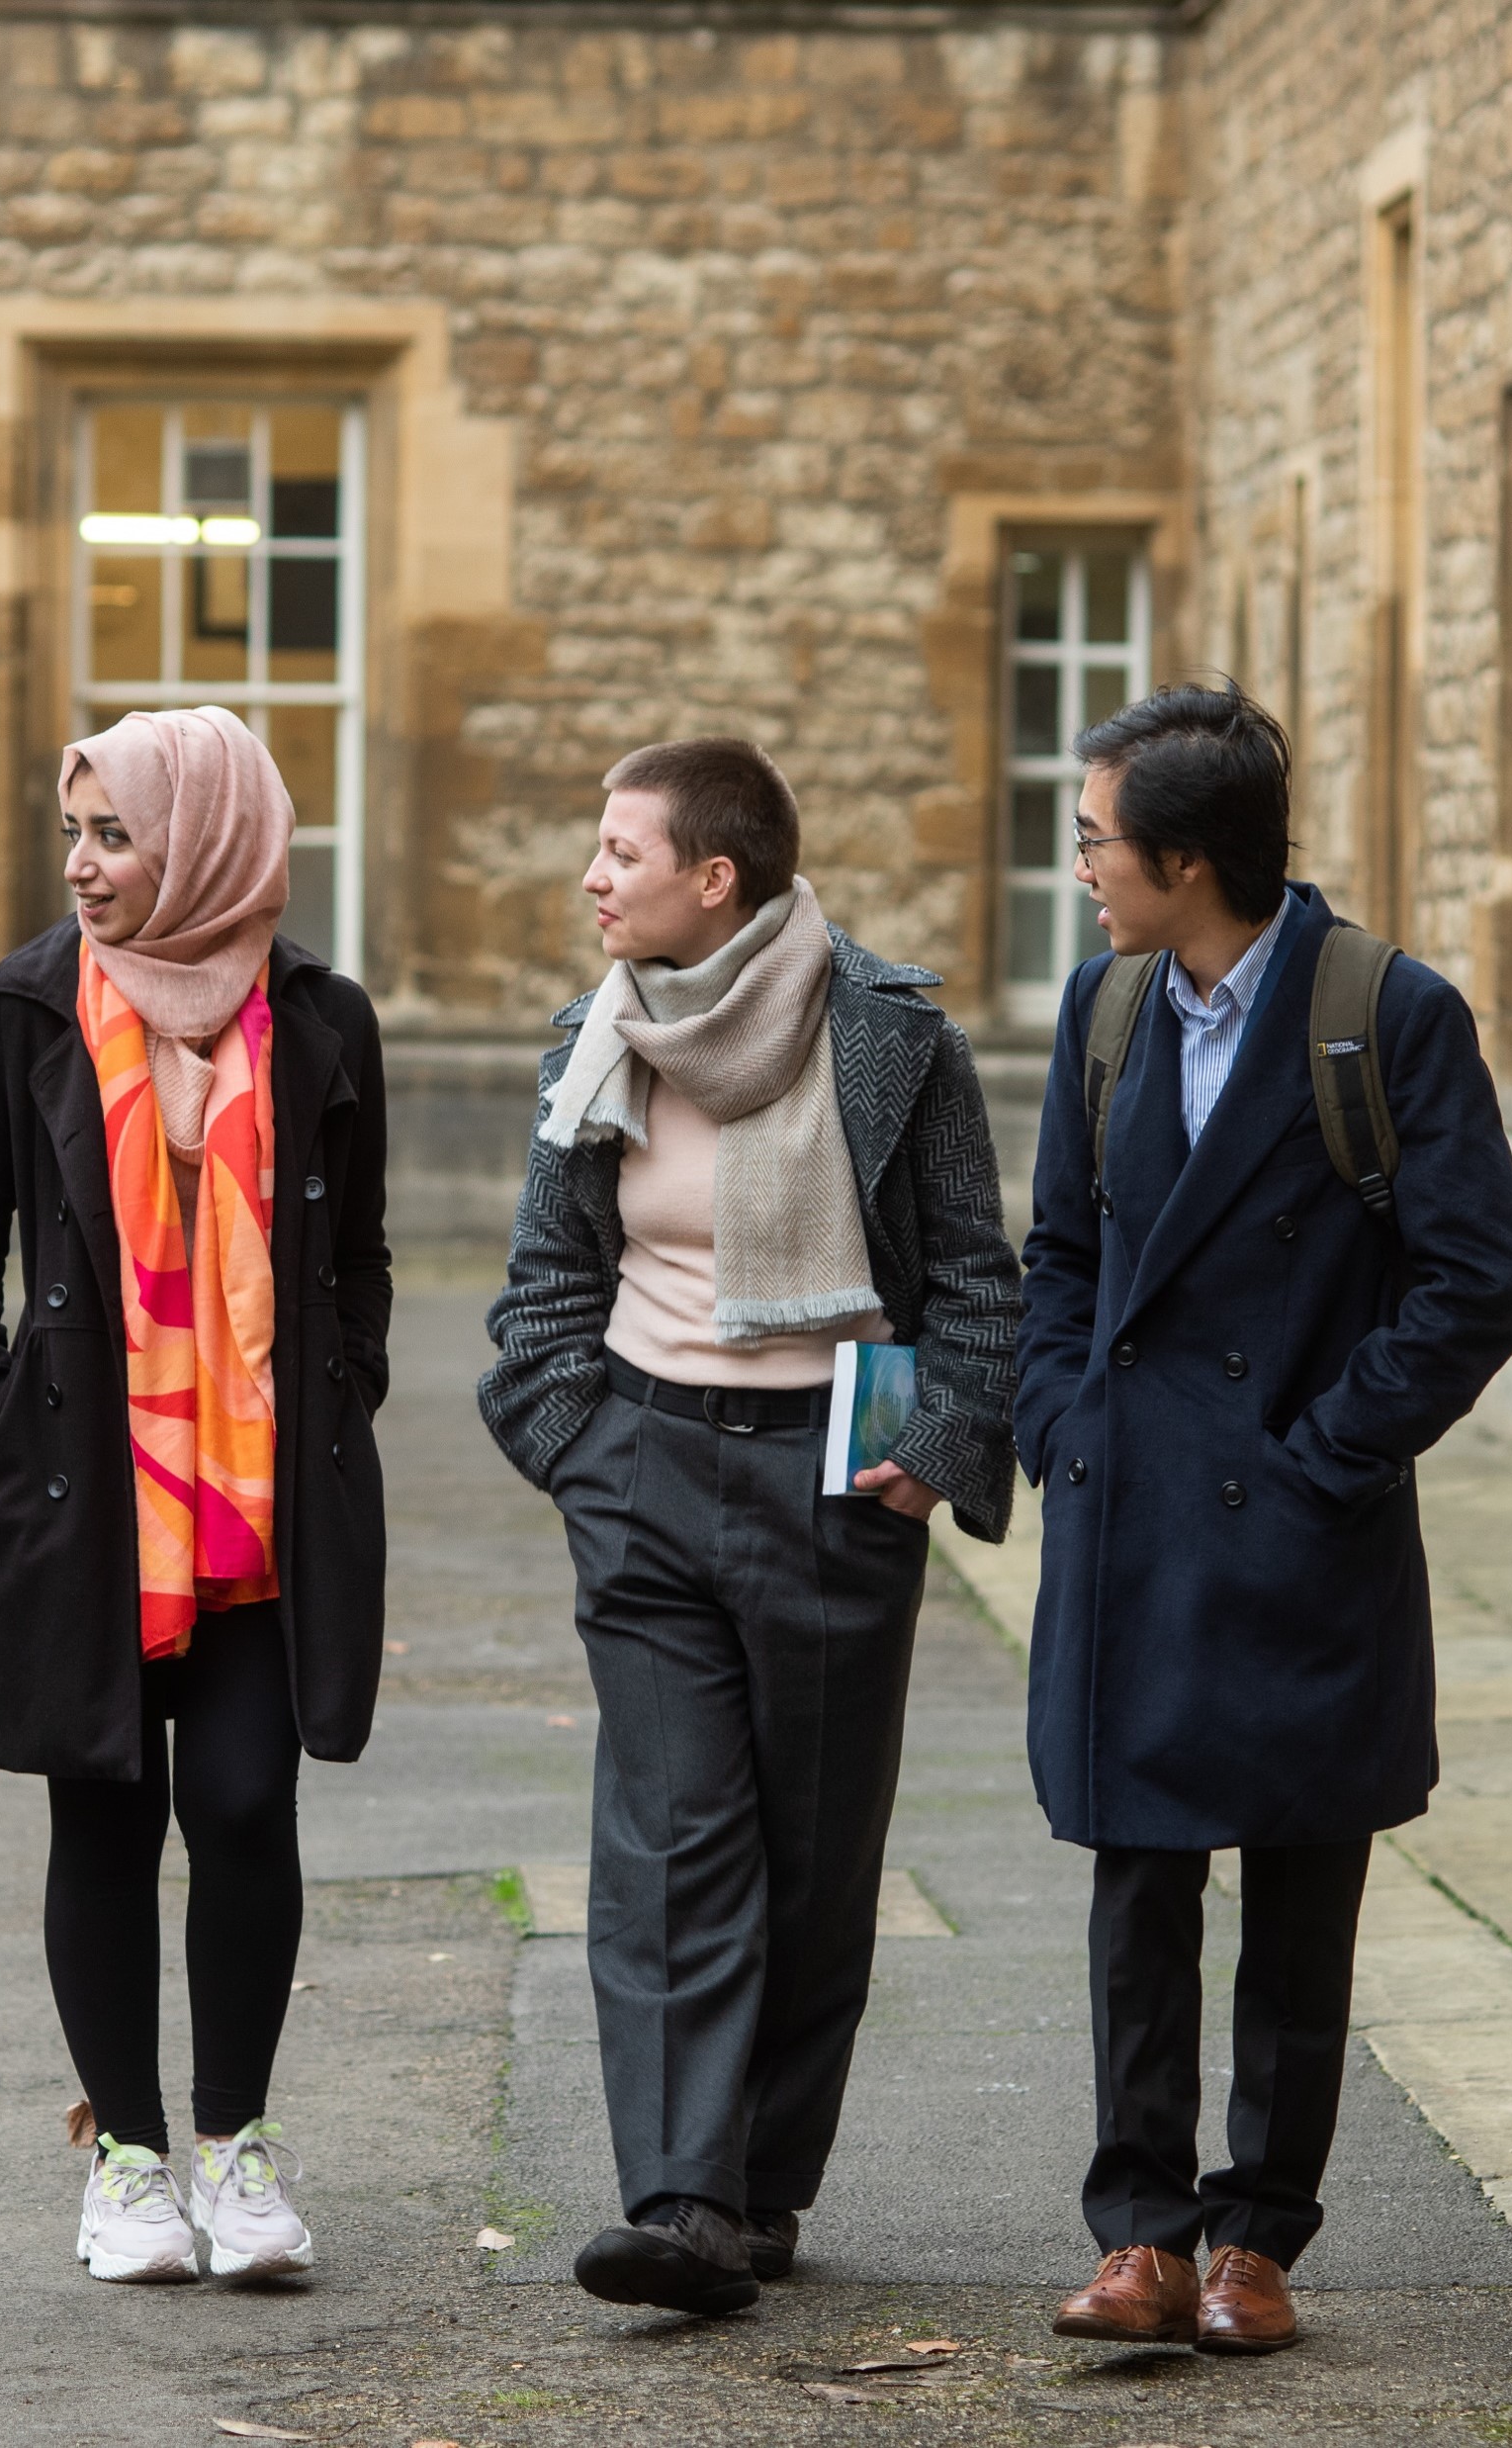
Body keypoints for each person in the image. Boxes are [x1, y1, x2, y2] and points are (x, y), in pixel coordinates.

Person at [1015, 684, 1512, 2354]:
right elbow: (1062, 1258)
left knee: (1304, 1894)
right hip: (1133, 1520)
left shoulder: (1383, 1012)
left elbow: (1479, 1279)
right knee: (1139, 1884)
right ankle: (1142, 2238)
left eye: (1098, 839)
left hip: (1302, 1523)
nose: (1081, 864)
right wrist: (1056, 1417)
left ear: (1185, 857)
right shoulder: (1104, 1011)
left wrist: (1326, 1458)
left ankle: (1258, 2243)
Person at [479, 738, 1021, 2315]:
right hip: (642, 1462)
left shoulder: (892, 1039)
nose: (592, 876)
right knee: (667, 1839)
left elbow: (979, 1276)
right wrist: (577, 1446)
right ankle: (681, 2199)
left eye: (620, 853)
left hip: (834, 1478)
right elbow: (550, 1276)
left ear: (713, 879)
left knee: (814, 1848)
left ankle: (764, 2184)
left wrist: (934, 1450)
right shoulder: (598, 1034)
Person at [0, 707, 392, 2288]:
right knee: (105, 1814)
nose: (85, 866)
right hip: (90, 1492)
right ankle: (125, 2161)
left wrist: (340, 1395)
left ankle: (235, 2148)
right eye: (77, 834)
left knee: (248, 1803)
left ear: (204, 839)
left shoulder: (322, 1018)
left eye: (115, 835)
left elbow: (365, 1257)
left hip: (264, 1504)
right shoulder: (31, 1003)